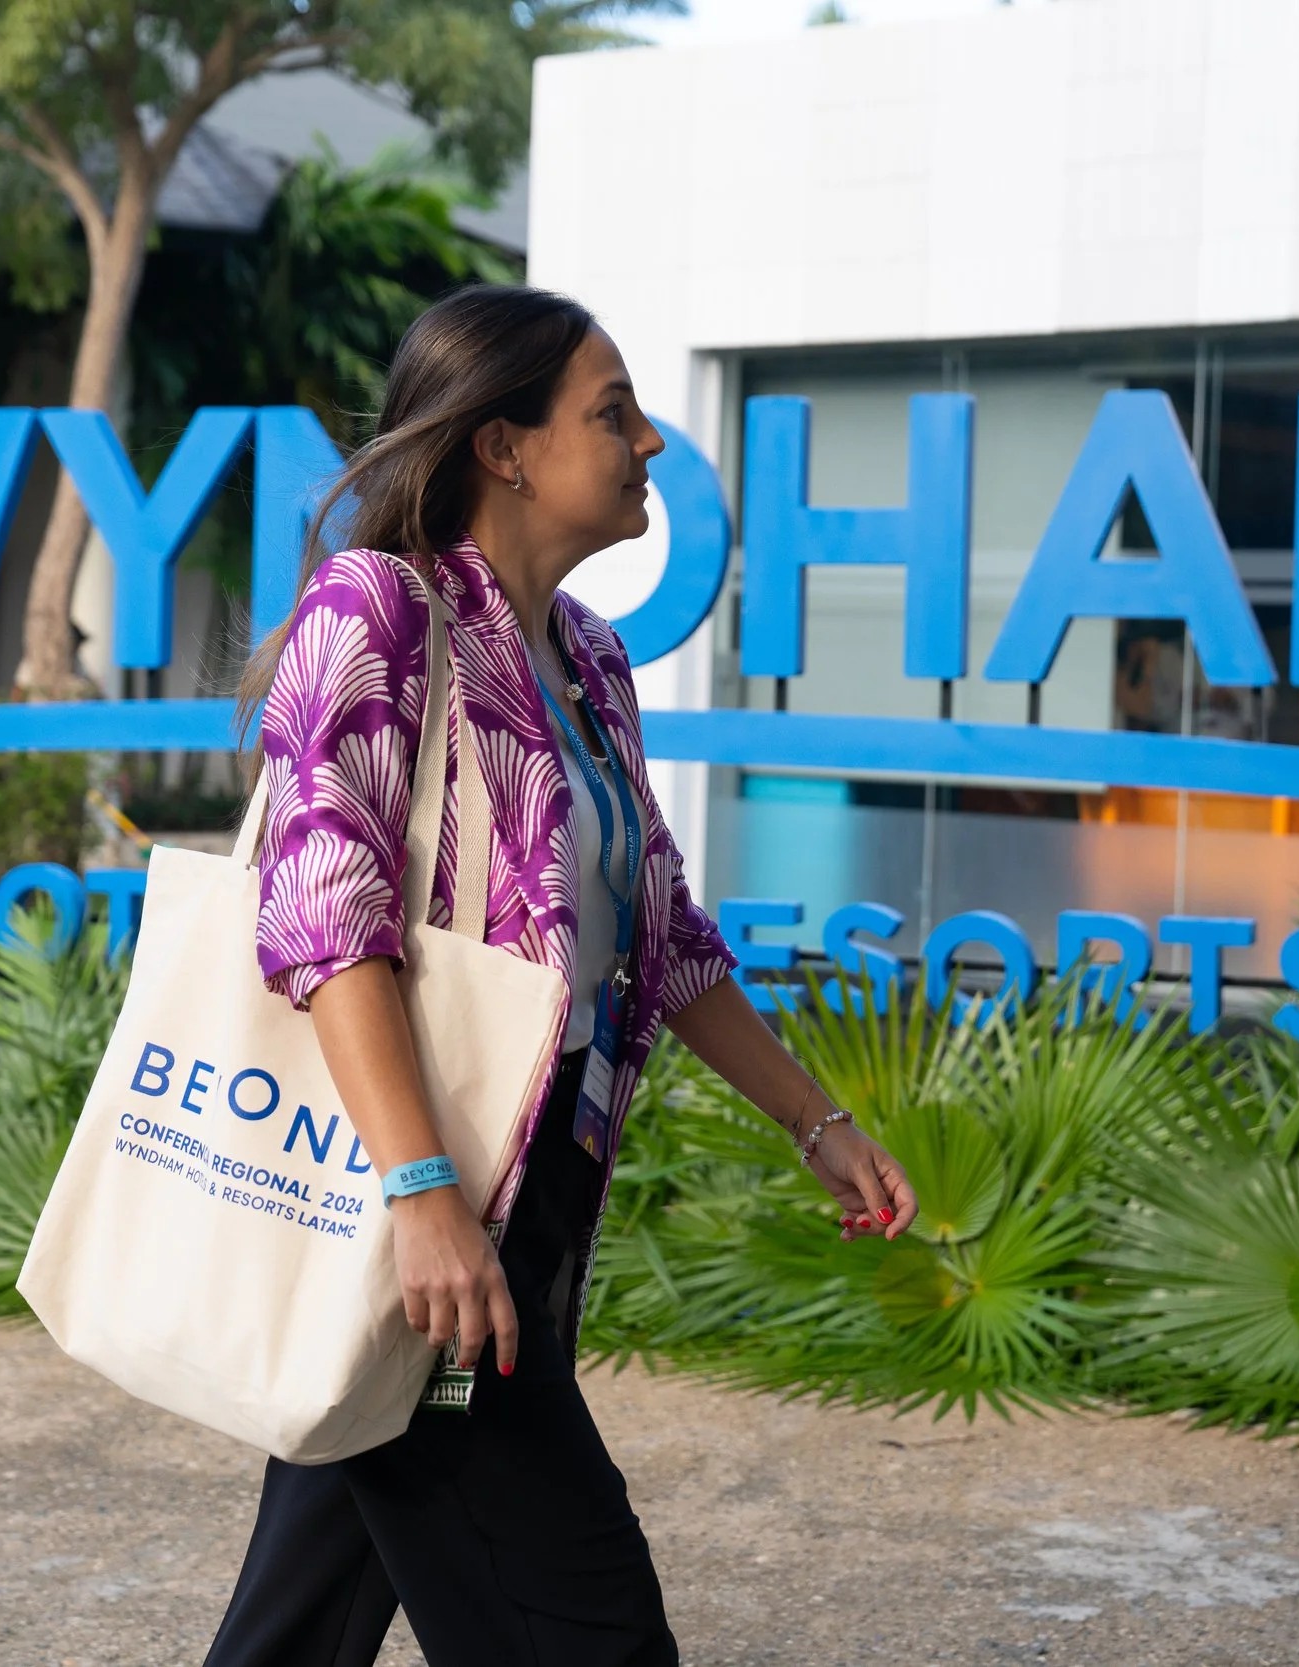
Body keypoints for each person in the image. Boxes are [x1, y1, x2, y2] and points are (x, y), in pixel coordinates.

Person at [203, 284, 921, 1667]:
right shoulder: (381, 609)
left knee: (301, 1623)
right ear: (504, 444)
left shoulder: (588, 662)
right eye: (614, 411)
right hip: (424, 1202)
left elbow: (663, 927)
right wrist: (425, 1198)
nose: (650, 442)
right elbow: (323, 917)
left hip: (523, 1203)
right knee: (589, 1623)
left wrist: (814, 1117)